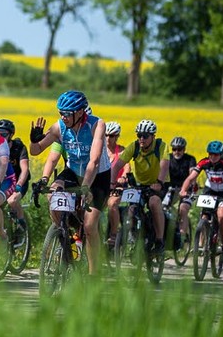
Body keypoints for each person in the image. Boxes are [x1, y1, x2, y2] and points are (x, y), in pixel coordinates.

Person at [30, 90, 111, 275]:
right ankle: (64, 239)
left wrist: (85, 187)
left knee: (89, 226)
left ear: (80, 112)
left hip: (98, 175)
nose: (63, 117)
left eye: (67, 113)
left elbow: (94, 161)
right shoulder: (59, 127)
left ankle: (93, 274)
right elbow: (36, 151)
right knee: (53, 193)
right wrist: (34, 141)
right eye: (60, 113)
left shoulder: (96, 125)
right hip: (73, 172)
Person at [111, 120, 169, 253]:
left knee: (154, 202)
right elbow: (117, 166)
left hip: (158, 184)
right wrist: (112, 183)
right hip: (139, 185)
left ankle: (159, 240)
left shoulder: (161, 146)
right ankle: (133, 238)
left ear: (153, 136)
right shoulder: (134, 146)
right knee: (131, 209)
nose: (141, 139)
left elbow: (164, 164)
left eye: (145, 136)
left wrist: (159, 182)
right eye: (139, 135)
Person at [179, 140, 223, 258]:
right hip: (210, 190)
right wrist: (183, 190)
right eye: (210, 154)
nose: (213, 157)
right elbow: (190, 177)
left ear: (221, 155)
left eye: (216, 154)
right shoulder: (204, 162)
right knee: (204, 216)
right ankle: (200, 244)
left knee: (222, 215)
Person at [167, 136, 198, 250]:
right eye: (174, 149)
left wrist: (190, 186)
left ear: (184, 149)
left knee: (183, 209)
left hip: (186, 190)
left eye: (179, 149)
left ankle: (182, 237)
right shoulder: (168, 158)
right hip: (171, 189)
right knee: (162, 207)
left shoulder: (190, 159)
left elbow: (192, 174)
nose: (176, 152)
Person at [104, 121, 130, 249]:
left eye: (112, 136)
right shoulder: (100, 150)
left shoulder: (121, 151)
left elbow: (127, 167)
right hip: (103, 185)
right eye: (106, 135)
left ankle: (113, 234)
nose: (108, 138)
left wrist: (123, 177)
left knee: (112, 203)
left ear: (117, 136)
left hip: (117, 185)